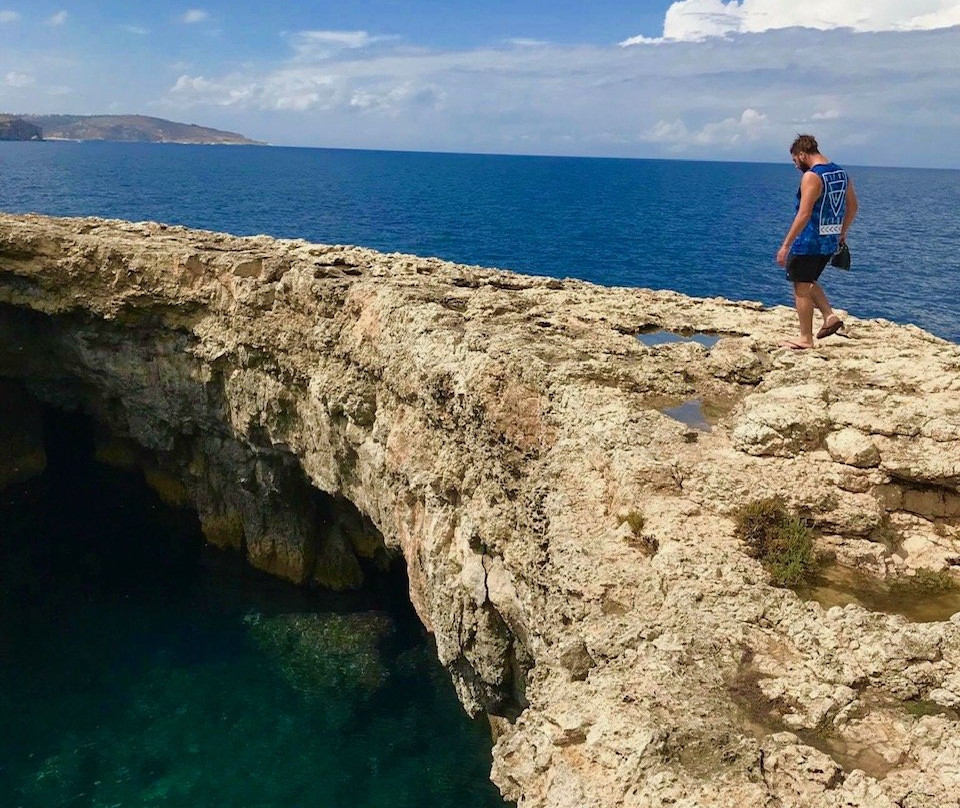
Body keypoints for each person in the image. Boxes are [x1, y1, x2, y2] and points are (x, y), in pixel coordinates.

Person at [775, 134, 858, 349]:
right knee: (808, 279)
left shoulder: (812, 177)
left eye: (795, 161)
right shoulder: (840, 173)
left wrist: (785, 245)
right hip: (829, 240)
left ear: (802, 154)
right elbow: (853, 206)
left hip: (809, 241)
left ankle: (805, 339)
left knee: (801, 287)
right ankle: (829, 316)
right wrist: (842, 232)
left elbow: (804, 215)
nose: (796, 166)